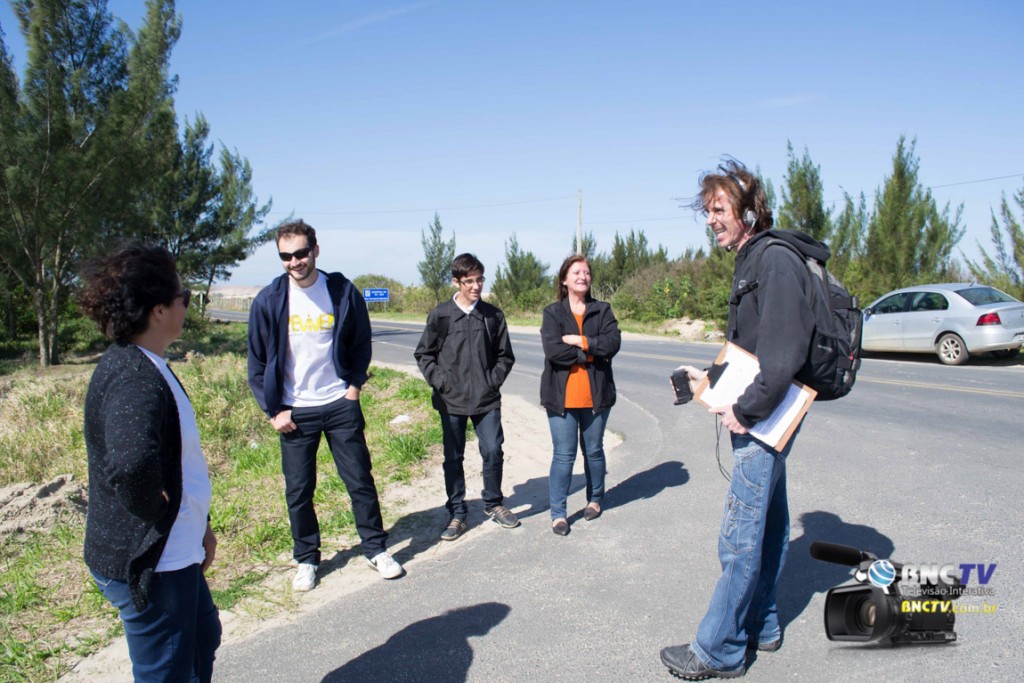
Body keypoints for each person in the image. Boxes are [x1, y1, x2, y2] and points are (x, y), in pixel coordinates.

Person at [660, 160, 817, 679]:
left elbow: (783, 356)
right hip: (762, 414)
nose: (710, 220)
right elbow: (753, 350)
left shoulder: (774, 260)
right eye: (707, 212)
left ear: (749, 211)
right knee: (768, 524)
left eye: (719, 209)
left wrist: (744, 411)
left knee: (739, 534)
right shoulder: (754, 259)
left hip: (763, 419)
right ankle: (761, 625)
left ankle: (718, 650)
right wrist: (709, 379)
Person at [79, 243, 221, 682]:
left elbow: (172, 463)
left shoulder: (144, 362)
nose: (187, 305)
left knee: (202, 639)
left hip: (175, 548)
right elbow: (132, 465)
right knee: (167, 672)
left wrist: (198, 526)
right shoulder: (135, 378)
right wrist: (162, 515)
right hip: (155, 561)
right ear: (159, 310)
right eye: (184, 297)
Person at [247, 219, 403, 591]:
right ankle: (306, 559)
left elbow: (361, 343)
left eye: (301, 253)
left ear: (315, 250)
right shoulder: (269, 300)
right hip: (294, 411)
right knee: (299, 491)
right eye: (286, 256)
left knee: (360, 480)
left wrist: (354, 388)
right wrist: (273, 411)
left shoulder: (341, 291)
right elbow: (257, 362)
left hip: (339, 404)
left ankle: (375, 549)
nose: (294, 262)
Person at [414, 253, 520, 541]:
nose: (476, 286)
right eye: (469, 281)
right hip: (451, 401)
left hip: (487, 400)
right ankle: (457, 513)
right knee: (453, 456)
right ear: (456, 282)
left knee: (493, 450)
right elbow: (424, 354)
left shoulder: (493, 315)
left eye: (480, 280)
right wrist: (443, 383)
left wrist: (491, 382)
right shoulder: (441, 315)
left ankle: (494, 503)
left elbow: (505, 356)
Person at [540, 255, 621, 536]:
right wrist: (590, 353)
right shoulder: (553, 313)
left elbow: (612, 344)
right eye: (576, 273)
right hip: (561, 397)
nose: (582, 277)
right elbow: (554, 351)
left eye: (586, 272)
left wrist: (580, 341)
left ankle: (595, 499)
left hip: (596, 396)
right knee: (563, 455)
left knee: (594, 451)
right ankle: (558, 513)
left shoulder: (602, 310)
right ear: (564, 279)